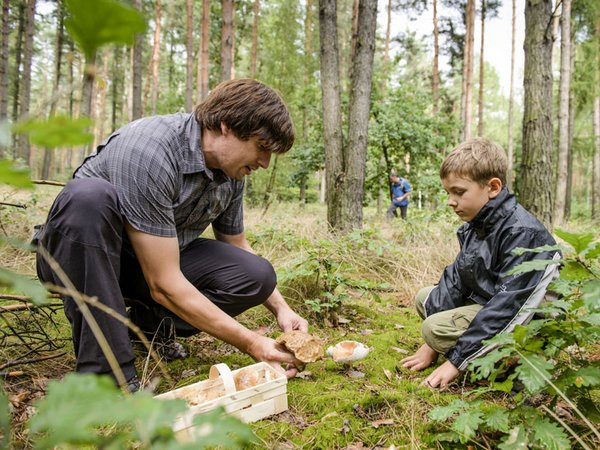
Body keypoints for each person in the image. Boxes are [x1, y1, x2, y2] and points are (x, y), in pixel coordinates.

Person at [34, 79, 308, 392]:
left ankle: (146, 330)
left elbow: (238, 246)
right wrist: (252, 343)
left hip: (150, 264)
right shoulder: (151, 150)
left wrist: (282, 309)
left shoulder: (231, 174)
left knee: (256, 274)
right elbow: (164, 283)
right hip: (81, 258)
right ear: (227, 126)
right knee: (89, 197)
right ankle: (107, 375)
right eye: (261, 147)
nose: (263, 162)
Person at [400, 138, 560, 389]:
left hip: (531, 320)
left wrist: (454, 362)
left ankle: (517, 363)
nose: (451, 201)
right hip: (491, 302)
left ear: (493, 187)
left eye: (459, 192)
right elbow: (457, 279)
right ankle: (481, 355)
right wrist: (430, 347)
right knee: (425, 298)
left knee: (434, 328)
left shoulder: (523, 233)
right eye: (448, 193)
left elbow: (511, 306)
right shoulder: (478, 225)